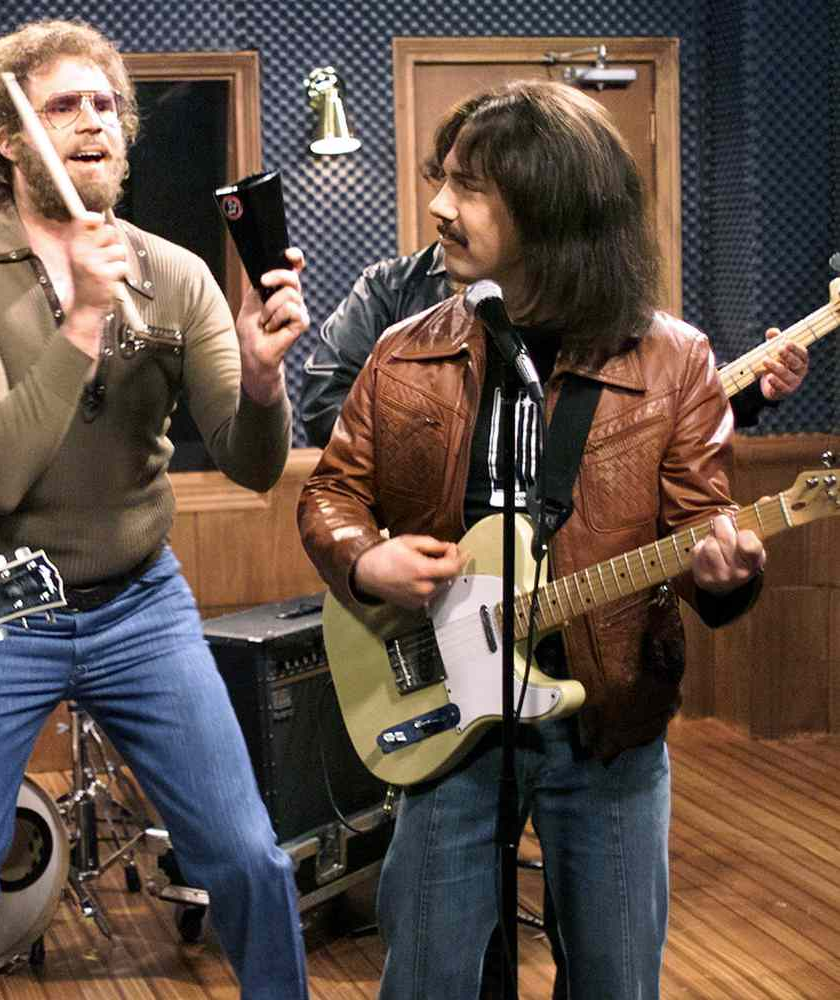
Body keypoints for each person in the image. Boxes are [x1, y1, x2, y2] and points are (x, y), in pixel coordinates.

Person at [297, 81, 766, 999]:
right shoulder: (404, 349)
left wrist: (723, 574)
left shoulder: (676, 361)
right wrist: (364, 556)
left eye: (470, 187)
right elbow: (331, 494)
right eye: (443, 180)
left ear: (551, 210)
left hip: (608, 731)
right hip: (451, 724)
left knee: (614, 981)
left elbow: (700, 529)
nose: (439, 206)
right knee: (425, 978)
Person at [0, 19, 311, 999]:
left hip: (139, 606)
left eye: (106, 105)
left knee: (250, 859)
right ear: (9, 138)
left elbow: (254, 466)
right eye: (63, 106)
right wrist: (83, 315)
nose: (93, 122)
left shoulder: (177, 274)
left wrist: (261, 382)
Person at [299, 244, 809, 448]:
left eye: (471, 187)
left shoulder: (581, 301)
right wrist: (436, 451)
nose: (443, 205)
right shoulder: (391, 288)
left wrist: (751, 392)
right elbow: (325, 408)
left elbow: (646, 408)